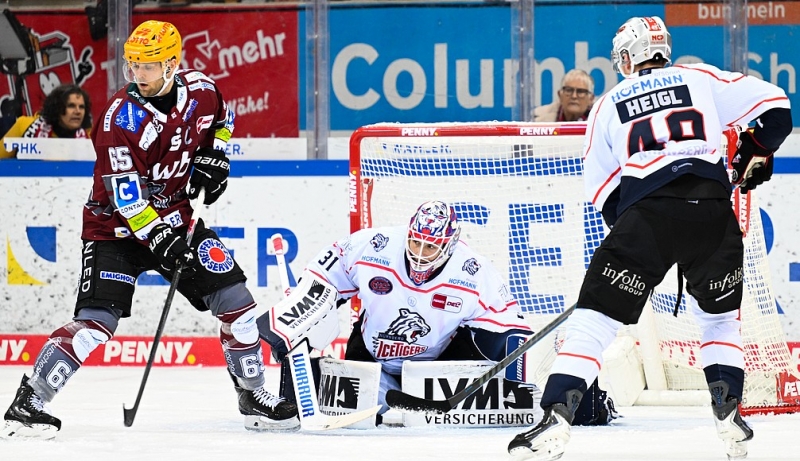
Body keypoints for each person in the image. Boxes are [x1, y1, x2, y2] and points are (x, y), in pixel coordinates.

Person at [507, 16, 792, 461]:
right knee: (718, 320)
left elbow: (603, 193)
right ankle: (729, 411)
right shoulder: (699, 77)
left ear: (628, 56)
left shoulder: (607, 103)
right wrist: (751, 152)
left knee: (595, 318)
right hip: (713, 213)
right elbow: (777, 108)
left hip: (647, 219)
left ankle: (555, 418)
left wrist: (636, 239)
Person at [1, 20, 299, 439]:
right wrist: (161, 239)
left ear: (173, 64)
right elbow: (126, 199)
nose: (138, 75)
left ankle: (253, 396)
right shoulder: (117, 120)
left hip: (177, 220)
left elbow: (224, 119)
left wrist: (217, 155)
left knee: (238, 305)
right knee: (95, 324)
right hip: (115, 232)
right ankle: (29, 402)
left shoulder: (202, 90)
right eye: (132, 66)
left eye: (148, 66)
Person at [268, 200, 616, 426]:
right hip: (368, 354)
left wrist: (512, 390)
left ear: (449, 245)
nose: (420, 253)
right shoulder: (371, 246)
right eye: (415, 242)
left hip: (434, 366)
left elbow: (512, 330)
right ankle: (286, 401)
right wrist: (297, 313)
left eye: (431, 246)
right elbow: (320, 277)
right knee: (330, 371)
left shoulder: (473, 271)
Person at [0, 84, 92, 158]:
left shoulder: (90, 137)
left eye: (81, 107)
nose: (78, 111)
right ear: (57, 108)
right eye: (71, 106)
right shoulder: (24, 125)